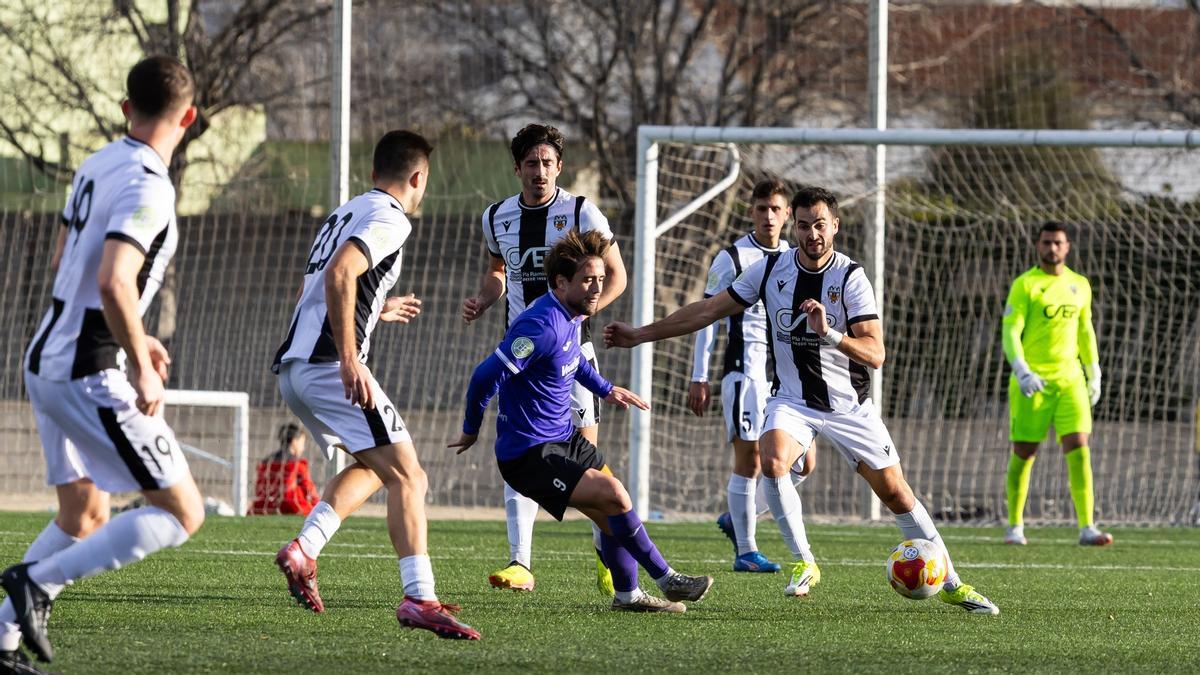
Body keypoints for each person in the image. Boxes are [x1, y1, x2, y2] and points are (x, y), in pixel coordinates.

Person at [606, 186, 999, 614]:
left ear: (835, 226)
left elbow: (875, 354)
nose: (812, 234)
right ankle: (804, 561)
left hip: (849, 407)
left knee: (897, 495)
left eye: (820, 225)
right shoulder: (769, 270)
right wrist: (639, 335)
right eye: (804, 225)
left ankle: (954, 584)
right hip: (792, 401)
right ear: (794, 226)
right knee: (773, 459)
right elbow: (706, 311)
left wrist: (828, 332)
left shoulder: (851, 277)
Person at [1, 56, 205, 670]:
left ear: (125, 108)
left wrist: (136, 335)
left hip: (46, 356)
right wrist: (138, 360)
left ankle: (1, 643)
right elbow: (114, 280)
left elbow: (65, 256)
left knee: (83, 513)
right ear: (189, 118)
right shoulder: (151, 184)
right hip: (86, 370)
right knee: (182, 512)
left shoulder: (97, 162)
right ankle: (35, 583)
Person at [270, 130, 479, 640]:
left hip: (297, 368)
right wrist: (348, 357)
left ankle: (304, 549)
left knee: (376, 466)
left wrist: (373, 309)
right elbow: (342, 274)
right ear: (418, 178)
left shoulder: (346, 211)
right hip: (329, 366)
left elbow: (318, 288)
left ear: (372, 172)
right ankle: (419, 598)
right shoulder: (391, 217)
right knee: (411, 477)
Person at [451, 230, 713, 613]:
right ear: (561, 282)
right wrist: (471, 429)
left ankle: (628, 596)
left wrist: (606, 389)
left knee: (614, 511)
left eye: (601, 278)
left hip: (564, 438)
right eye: (588, 279)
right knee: (614, 495)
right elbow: (484, 376)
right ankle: (668, 579)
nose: (597, 288)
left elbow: (572, 359)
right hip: (529, 453)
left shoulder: (573, 313)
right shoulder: (540, 324)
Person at [461, 123, 626, 594]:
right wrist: (484, 299)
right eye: (531, 163)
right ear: (517, 168)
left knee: (586, 463)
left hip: (572, 354)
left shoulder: (581, 211)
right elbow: (498, 271)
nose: (540, 171)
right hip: (523, 360)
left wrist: (578, 317)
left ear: (560, 166)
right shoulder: (496, 216)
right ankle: (521, 562)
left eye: (547, 163)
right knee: (524, 447)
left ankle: (607, 553)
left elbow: (616, 276)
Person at [688, 179, 814, 573]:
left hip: (786, 382)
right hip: (745, 372)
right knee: (750, 460)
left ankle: (738, 515)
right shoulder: (732, 258)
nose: (769, 217)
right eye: (762, 209)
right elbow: (707, 318)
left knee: (803, 463)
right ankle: (745, 551)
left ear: (788, 214)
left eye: (776, 209)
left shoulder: (794, 259)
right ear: (751, 212)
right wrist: (699, 376)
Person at [1002, 222, 1112, 546]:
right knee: (1025, 452)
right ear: (1038, 245)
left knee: (1079, 447)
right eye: (1047, 242)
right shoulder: (1025, 284)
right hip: (1032, 381)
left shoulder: (1080, 284)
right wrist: (1022, 370)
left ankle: (1087, 527)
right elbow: (1010, 330)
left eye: (1058, 242)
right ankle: (1015, 526)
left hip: (1070, 380)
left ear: (1067, 247)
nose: (1052, 248)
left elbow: (1085, 330)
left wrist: (1093, 371)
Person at [249, 423, 320, 516]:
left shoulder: (266, 463)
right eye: (302, 443)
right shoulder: (297, 464)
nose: (303, 448)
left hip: (266, 506)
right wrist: (319, 506)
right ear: (294, 441)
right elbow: (308, 489)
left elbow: (259, 489)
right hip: (292, 507)